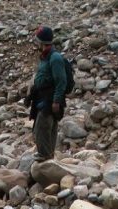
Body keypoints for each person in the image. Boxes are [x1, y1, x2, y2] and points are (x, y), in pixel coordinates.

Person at [26, 25, 67, 162]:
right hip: (42, 98)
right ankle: (48, 156)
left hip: (49, 100)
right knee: (45, 127)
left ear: (41, 42)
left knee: (42, 128)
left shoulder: (54, 58)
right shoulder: (46, 56)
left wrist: (56, 101)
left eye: (37, 40)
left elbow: (61, 81)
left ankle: (45, 156)